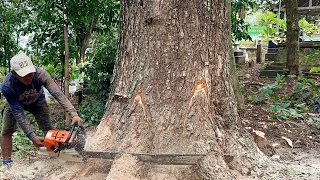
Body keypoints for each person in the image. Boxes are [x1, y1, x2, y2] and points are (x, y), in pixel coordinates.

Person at [1, 53, 83, 167]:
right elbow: (19, 113)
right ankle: (6, 162)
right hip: (14, 104)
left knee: (48, 129)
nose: (28, 76)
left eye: (30, 72)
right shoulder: (7, 86)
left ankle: (55, 156)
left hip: (37, 101)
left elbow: (57, 94)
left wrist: (73, 114)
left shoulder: (40, 74)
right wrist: (32, 136)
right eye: (24, 74)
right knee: (6, 130)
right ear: (14, 74)